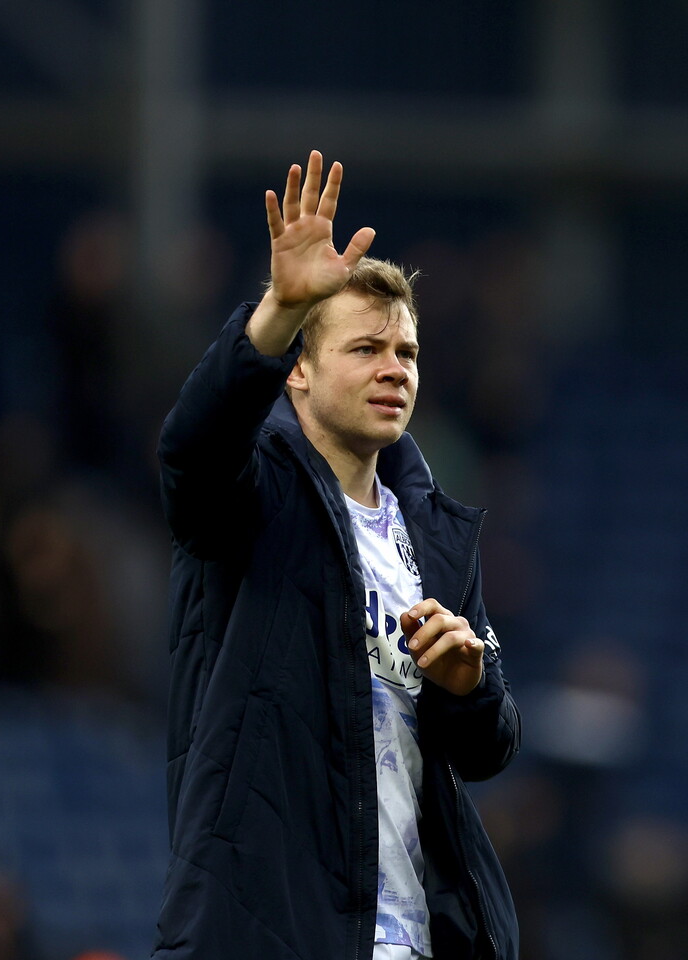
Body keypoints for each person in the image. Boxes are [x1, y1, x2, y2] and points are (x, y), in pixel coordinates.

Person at [153, 151, 521, 960]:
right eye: (364, 350)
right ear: (298, 372)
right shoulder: (253, 497)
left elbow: (489, 747)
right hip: (269, 934)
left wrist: (470, 687)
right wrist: (278, 313)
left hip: (413, 940)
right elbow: (191, 452)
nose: (394, 369)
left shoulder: (435, 535)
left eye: (407, 353)